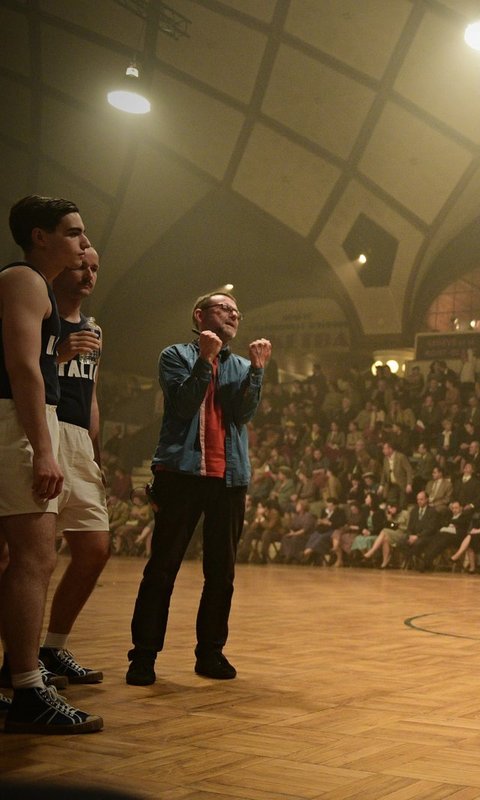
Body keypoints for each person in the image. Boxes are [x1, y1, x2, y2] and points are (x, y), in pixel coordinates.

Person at [126, 292, 272, 686]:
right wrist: (206, 360)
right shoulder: (174, 355)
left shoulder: (242, 364)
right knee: (163, 568)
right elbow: (183, 405)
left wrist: (257, 371)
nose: (234, 314)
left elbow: (242, 414)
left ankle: (210, 654)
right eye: (225, 308)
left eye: (237, 311)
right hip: (181, 474)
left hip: (229, 480)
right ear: (200, 314)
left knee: (221, 574)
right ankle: (143, 657)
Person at [0, 195, 102, 733]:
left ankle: (18, 681)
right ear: (40, 237)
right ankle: (27, 690)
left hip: (17, 422)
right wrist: (43, 447)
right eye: (73, 232)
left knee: (14, 560)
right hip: (14, 423)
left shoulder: (30, 284)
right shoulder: (24, 279)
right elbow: (22, 370)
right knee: (35, 558)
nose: (83, 243)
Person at [38, 245, 111, 685]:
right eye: (82, 265)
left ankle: (53, 647)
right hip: (43, 429)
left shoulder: (95, 329)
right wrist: (58, 355)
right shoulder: (37, 314)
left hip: (79, 440)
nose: (89, 273)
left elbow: (93, 394)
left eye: (96, 269)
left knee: (95, 548)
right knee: (33, 557)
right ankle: (22, 658)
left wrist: (96, 453)